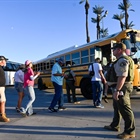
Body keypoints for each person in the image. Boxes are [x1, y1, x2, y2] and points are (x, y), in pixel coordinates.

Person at [104, 42, 136, 139]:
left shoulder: (122, 60)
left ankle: (130, 131)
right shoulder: (120, 60)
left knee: (125, 108)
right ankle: (115, 125)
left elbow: (122, 76)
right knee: (117, 107)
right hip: (119, 86)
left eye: (114, 49)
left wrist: (117, 90)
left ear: (119, 50)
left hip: (122, 87)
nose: (112, 51)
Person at [0, 56, 10, 122]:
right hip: (0, 87)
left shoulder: (1, 68)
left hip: (2, 87)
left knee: (2, 101)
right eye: (4, 60)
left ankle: (2, 115)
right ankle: (2, 116)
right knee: (2, 101)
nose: (5, 62)